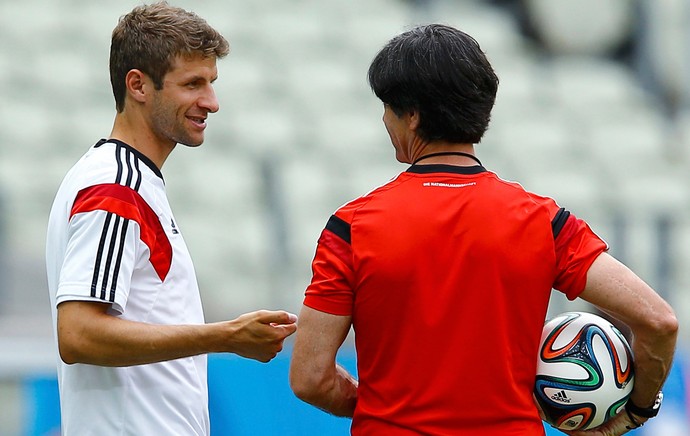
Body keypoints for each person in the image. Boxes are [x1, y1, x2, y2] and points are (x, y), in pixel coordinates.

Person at [288, 23, 678, 435]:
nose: (385, 119)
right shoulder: (542, 222)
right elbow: (659, 322)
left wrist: (381, 409)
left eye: (387, 106)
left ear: (413, 116)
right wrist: (635, 412)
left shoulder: (351, 227)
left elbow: (310, 377)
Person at [45, 3, 297, 435]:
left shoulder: (130, 180)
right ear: (138, 85)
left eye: (212, 83)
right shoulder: (117, 186)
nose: (211, 103)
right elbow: (79, 333)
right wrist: (224, 336)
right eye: (193, 84)